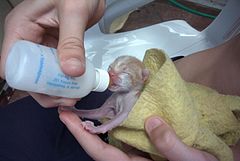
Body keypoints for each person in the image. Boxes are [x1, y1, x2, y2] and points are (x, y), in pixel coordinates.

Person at [0, 0, 239, 161]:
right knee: (12, 131)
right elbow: (107, 109)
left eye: (121, 73)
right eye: (114, 68)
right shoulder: (130, 86)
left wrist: (100, 126)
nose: (113, 74)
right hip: (181, 73)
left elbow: (116, 116)